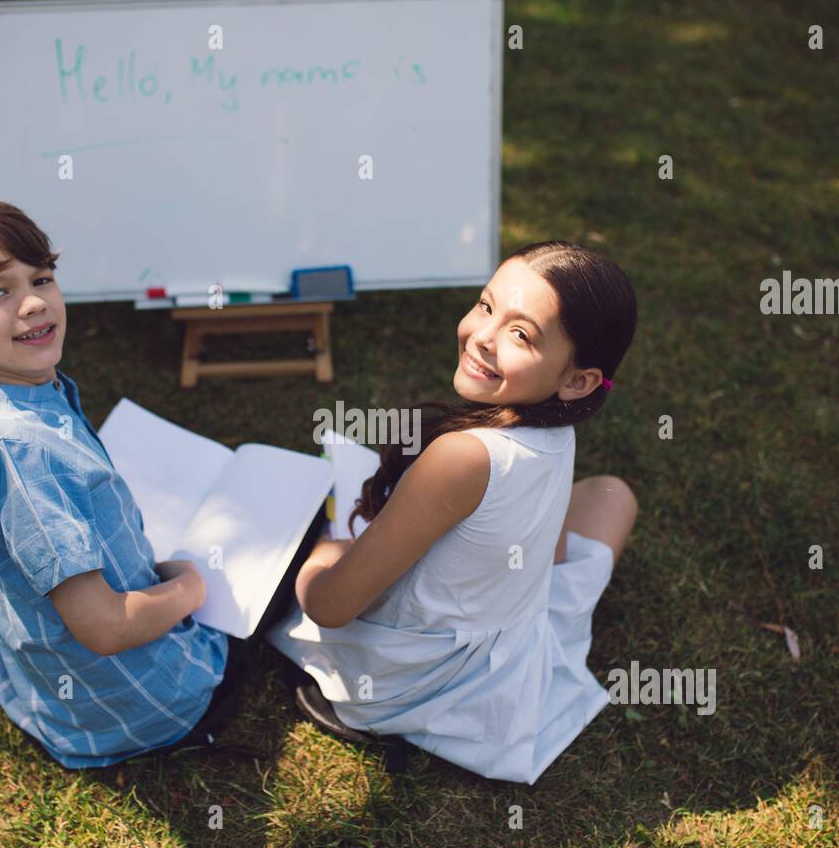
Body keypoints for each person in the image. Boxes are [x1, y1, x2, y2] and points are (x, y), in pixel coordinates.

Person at [267, 240, 639, 784]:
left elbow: (332, 606)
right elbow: (554, 550)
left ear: (577, 379)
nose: (482, 337)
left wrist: (326, 549)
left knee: (303, 554)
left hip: (415, 679)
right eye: (487, 306)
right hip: (509, 639)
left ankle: (387, 715)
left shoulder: (462, 456)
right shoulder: (555, 427)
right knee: (612, 494)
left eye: (520, 334)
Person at [0, 191, 231, 768]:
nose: (33, 304)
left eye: (42, 279)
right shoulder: (17, 447)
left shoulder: (20, 400)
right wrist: (189, 592)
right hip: (144, 702)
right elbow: (103, 628)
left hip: (66, 679)